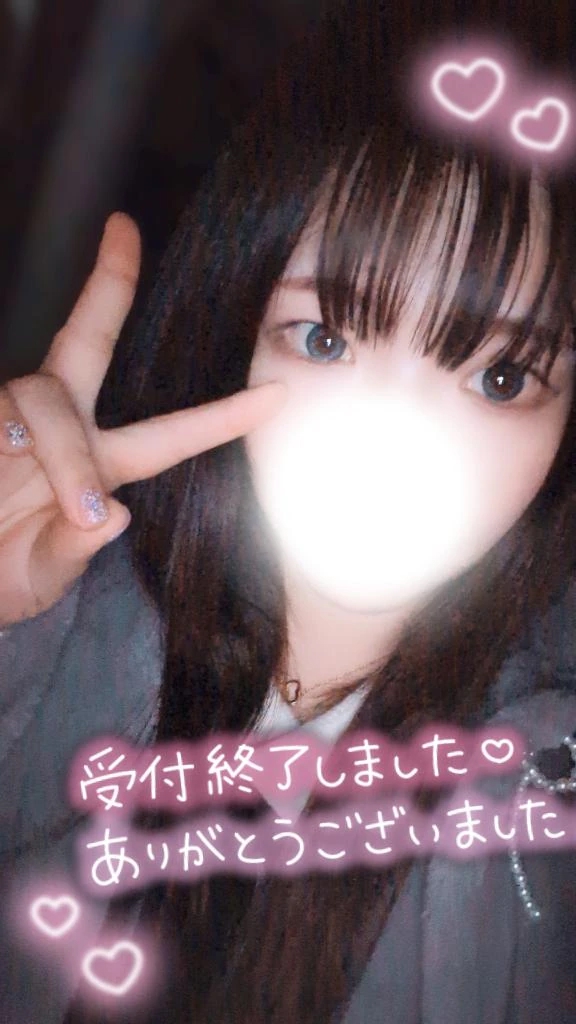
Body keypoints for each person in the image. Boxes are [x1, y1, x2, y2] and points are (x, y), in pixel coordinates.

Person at [2, 1, 576, 1022]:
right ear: (235, 324)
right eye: (326, 339)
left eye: (501, 377)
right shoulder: (54, 628)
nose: (396, 445)